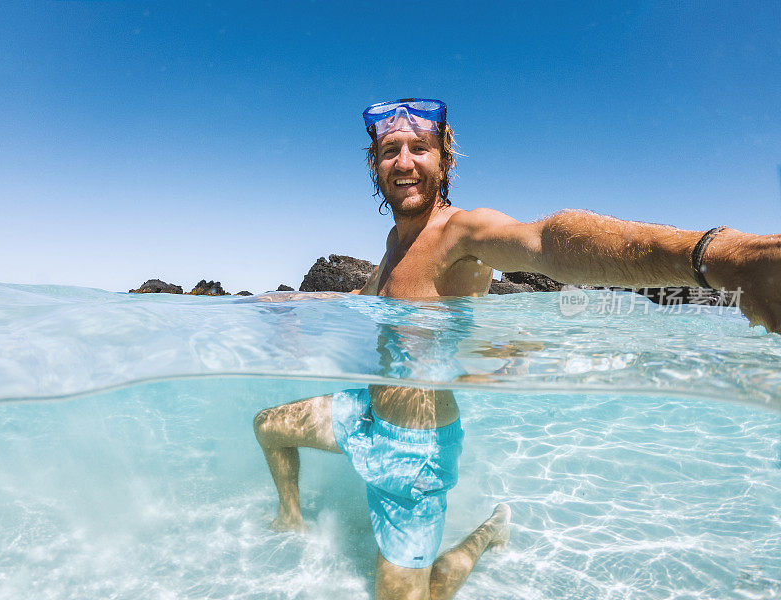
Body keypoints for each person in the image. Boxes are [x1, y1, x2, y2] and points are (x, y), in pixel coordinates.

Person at [254, 98, 781, 600]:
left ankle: (485, 536)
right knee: (269, 426)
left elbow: (548, 240)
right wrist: (296, 300)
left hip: (414, 454)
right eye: (390, 150)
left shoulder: (462, 232)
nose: (404, 161)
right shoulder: (396, 243)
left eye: (420, 147)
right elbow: (364, 295)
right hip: (367, 413)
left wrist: (717, 254)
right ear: (376, 163)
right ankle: (291, 518)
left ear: (445, 157)